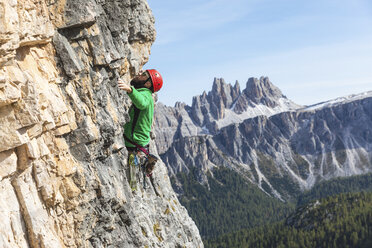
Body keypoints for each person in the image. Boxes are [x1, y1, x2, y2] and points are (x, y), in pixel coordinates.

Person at [118, 69, 163, 191]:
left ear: (148, 84)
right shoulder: (145, 93)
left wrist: (130, 90)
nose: (139, 74)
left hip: (134, 146)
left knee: (131, 185)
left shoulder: (147, 96)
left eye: (143, 75)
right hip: (136, 144)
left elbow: (141, 103)